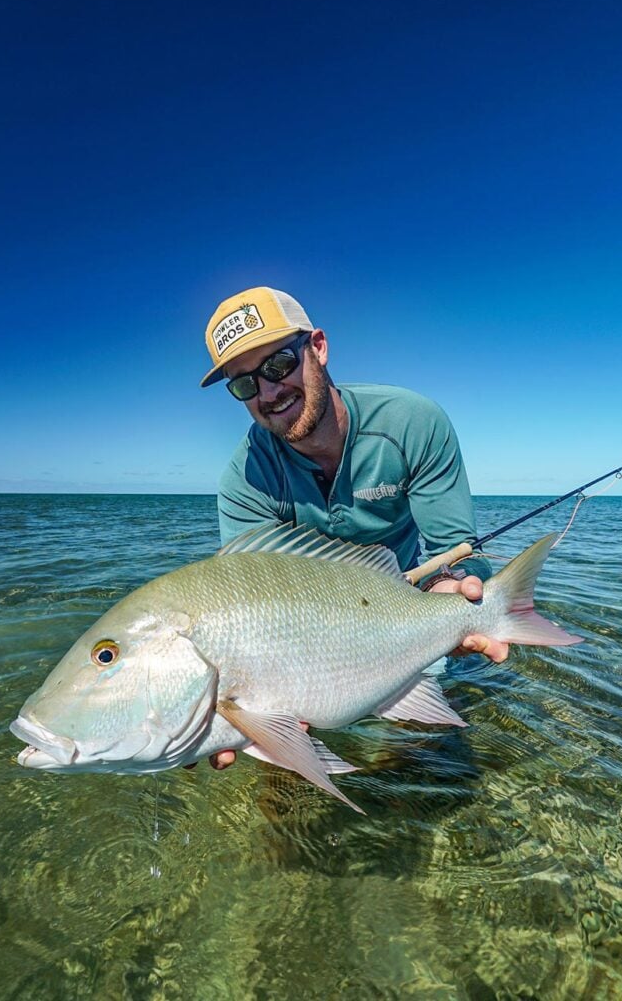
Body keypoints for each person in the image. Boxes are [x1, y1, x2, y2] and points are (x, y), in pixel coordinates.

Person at [199, 286, 508, 769]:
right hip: (301, 639)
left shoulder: (412, 423)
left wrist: (454, 587)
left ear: (317, 348)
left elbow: (457, 549)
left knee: (416, 760)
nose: (268, 393)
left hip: (408, 613)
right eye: (244, 384)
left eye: (277, 365)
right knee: (282, 784)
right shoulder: (244, 481)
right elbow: (247, 603)